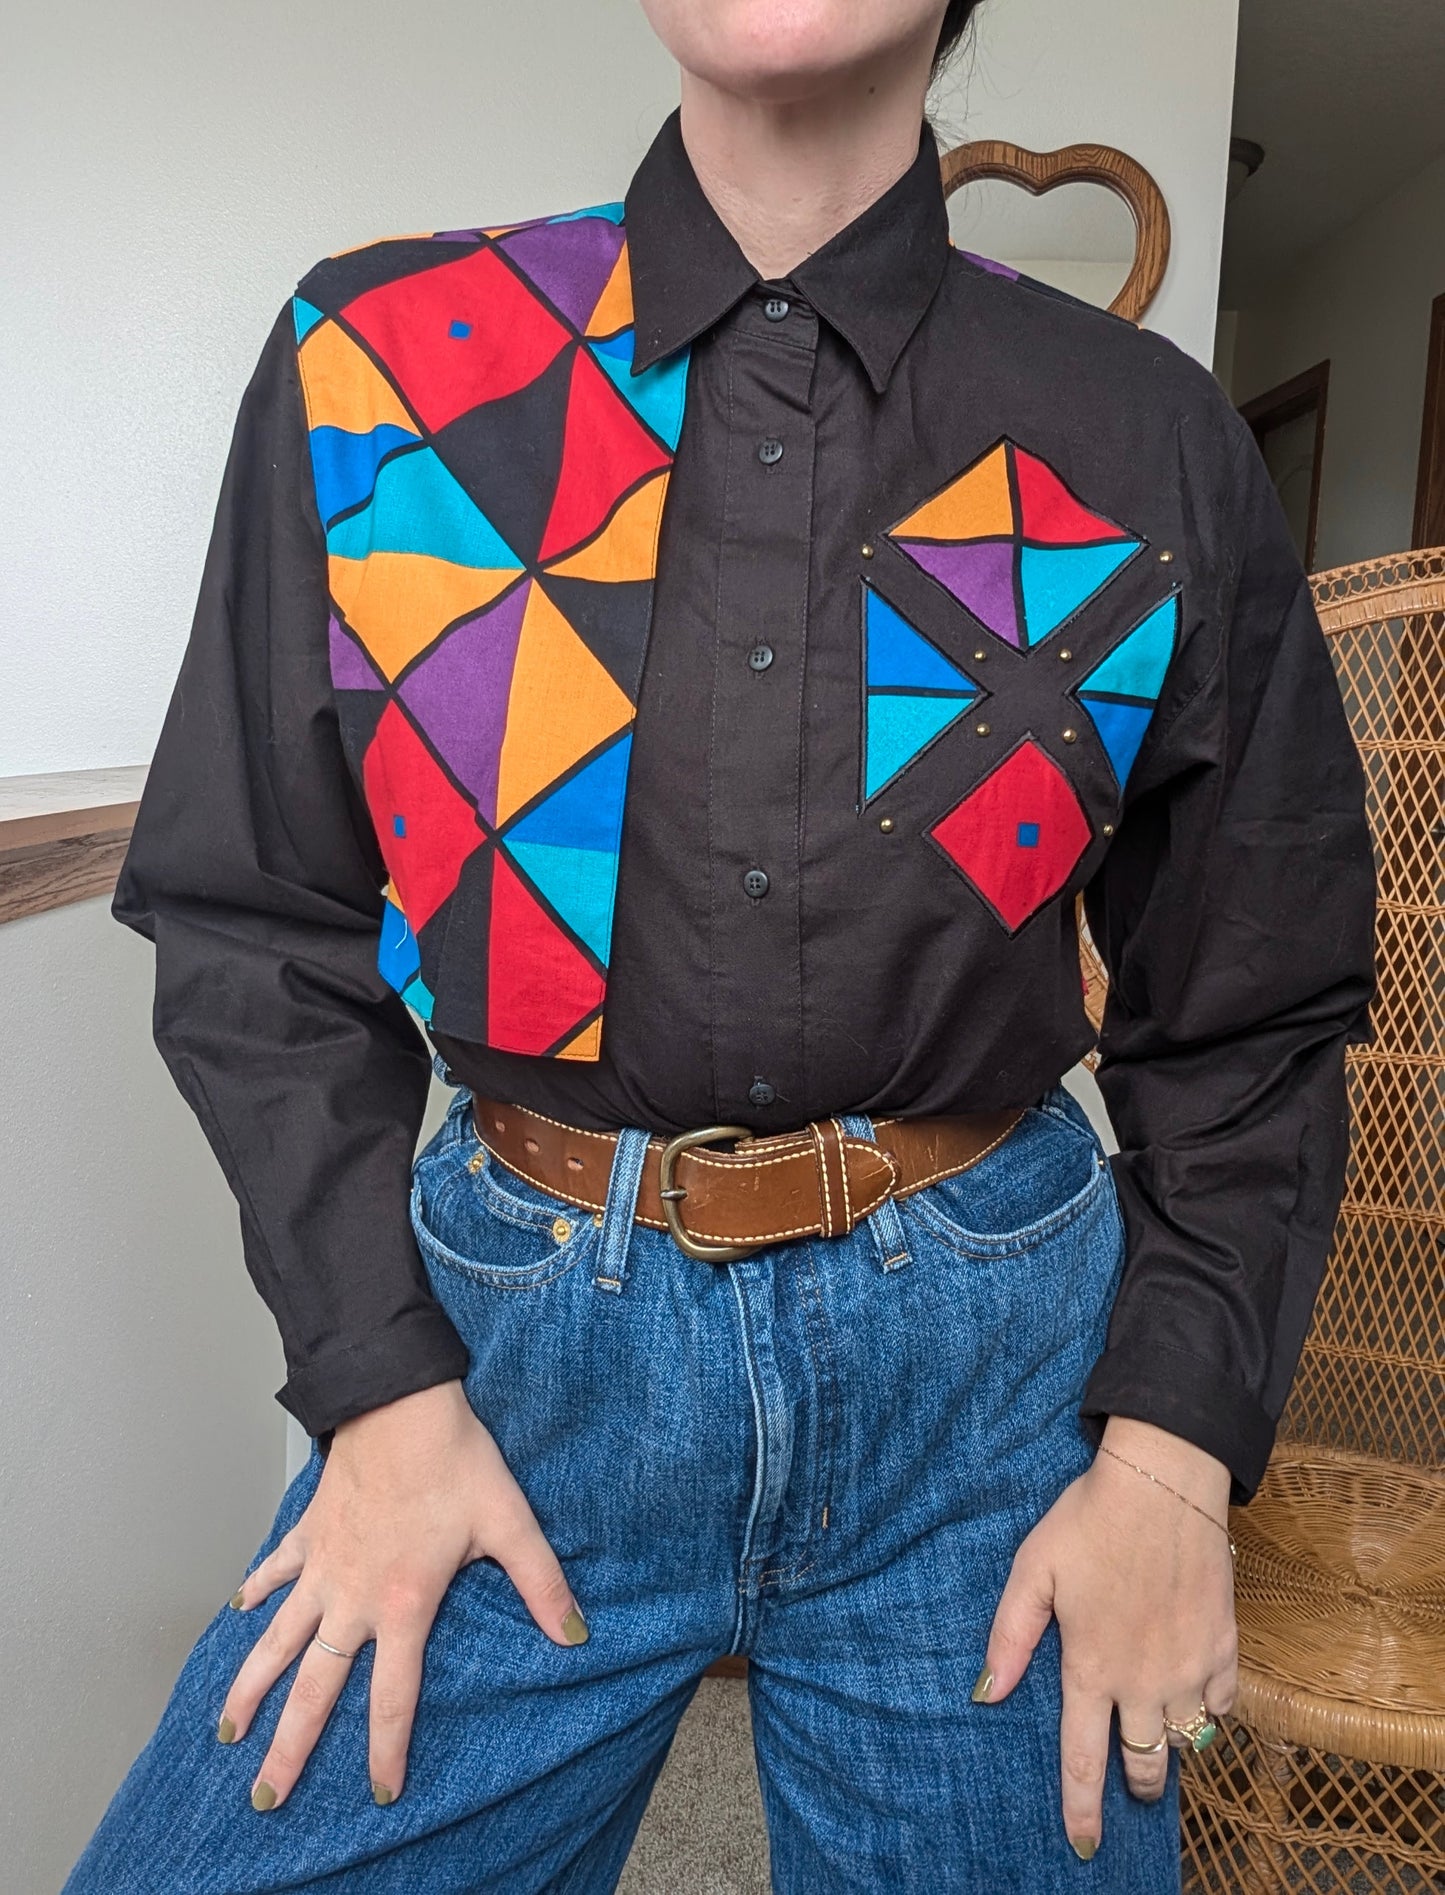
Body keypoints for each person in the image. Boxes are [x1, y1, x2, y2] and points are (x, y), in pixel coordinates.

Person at [65, 1, 1376, 1888]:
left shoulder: (1137, 428)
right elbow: (247, 918)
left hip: (996, 1397)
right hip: (497, 1374)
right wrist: (376, 1388)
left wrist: (1171, 1458)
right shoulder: (378, 368)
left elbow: (1249, 1006)